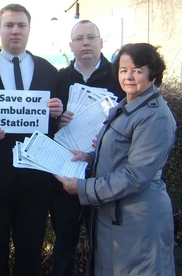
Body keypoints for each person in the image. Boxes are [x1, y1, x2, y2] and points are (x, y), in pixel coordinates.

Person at [55, 43, 176, 276]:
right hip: (115, 215)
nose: (128, 76)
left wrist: (82, 188)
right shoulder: (127, 106)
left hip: (137, 219)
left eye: (137, 70)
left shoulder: (154, 116)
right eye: (123, 70)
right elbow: (120, 155)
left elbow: (135, 176)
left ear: (153, 74)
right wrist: (88, 158)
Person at [0, 4, 63, 275]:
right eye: (9, 25)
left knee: (30, 250)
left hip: (35, 178)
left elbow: (56, 125)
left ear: (28, 30)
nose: (15, 31)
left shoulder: (49, 71)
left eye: (21, 26)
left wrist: (57, 113)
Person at [50, 20, 125, 276]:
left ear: (101, 42)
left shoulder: (118, 77)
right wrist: (56, 121)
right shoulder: (58, 79)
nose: (85, 43)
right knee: (64, 245)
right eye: (79, 38)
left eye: (91, 37)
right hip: (66, 173)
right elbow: (45, 127)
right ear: (71, 46)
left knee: (105, 244)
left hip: (103, 174)